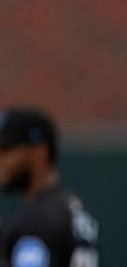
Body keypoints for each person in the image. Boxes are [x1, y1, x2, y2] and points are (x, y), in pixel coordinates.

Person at [0, 107, 98, 267]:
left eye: (6, 151)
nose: (0, 160)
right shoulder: (73, 206)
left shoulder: (35, 221)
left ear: (39, 151)